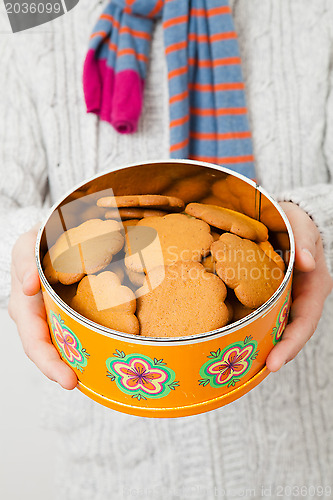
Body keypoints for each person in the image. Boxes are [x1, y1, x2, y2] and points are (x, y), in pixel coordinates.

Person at [1, 0, 333, 498]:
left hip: (301, 457)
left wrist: (309, 222)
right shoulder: (34, 14)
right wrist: (35, 245)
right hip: (112, 464)